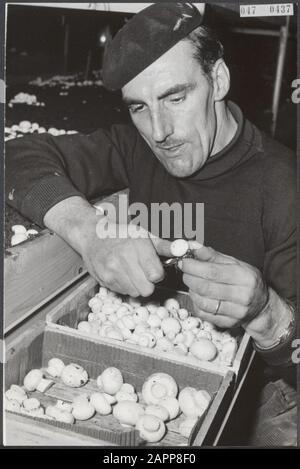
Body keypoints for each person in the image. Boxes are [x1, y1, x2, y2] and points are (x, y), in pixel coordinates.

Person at [5, 3, 297, 445]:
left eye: (176, 97)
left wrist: (267, 313)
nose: (160, 131)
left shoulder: (285, 186)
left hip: (264, 393)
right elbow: (18, 157)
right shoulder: (134, 148)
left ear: (217, 81)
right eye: (139, 107)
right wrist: (89, 231)